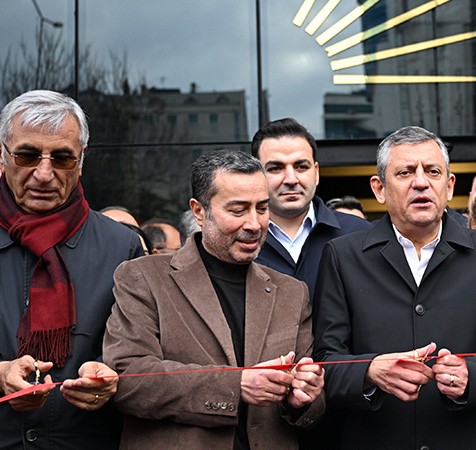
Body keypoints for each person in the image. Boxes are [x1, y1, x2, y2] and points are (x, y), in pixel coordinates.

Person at [313, 126, 476, 449]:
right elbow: (325, 360)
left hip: (465, 438)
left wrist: (472, 374)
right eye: (405, 172)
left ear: (449, 186)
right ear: (379, 188)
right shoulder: (343, 256)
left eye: (433, 171)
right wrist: (369, 371)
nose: (421, 182)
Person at [103, 150, 325, 449]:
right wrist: (236, 386)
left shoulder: (292, 293)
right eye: (238, 210)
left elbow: (314, 407)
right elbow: (128, 379)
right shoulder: (143, 277)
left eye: (262, 208)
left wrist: (302, 399)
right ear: (198, 211)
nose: (255, 224)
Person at [0, 90, 144, 448]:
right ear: (2, 157)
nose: (44, 173)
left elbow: (139, 349)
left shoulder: (121, 245)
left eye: (62, 158)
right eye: (27, 155)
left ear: (81, 161)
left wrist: (109, 375)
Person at [251, 118, 371, 302]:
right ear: (256, 176)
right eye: (276, 168)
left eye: (301, 167)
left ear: (316, 173)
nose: (291, 179)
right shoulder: (240, 242)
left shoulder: (361, 235)